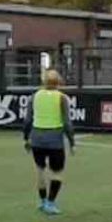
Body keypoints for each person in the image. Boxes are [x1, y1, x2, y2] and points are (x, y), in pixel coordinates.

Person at [27, 69, 75, 213]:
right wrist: (72, 142)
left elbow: (28, 120)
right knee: (57, 172)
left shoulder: (34, 96)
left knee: (40, 170)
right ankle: (50, 202)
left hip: (37, 138)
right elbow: (67, 123)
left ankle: (42, 201)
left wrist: (26, 138)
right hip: (55, 140)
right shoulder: (61, 98)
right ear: (58, 82)